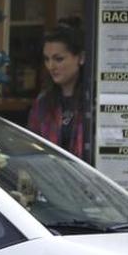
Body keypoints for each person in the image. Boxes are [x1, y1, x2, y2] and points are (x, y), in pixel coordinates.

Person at [27, 26, 86, 157]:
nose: (51, 66)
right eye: (47, 59)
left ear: (81, 58)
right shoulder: (43, 102)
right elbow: (32, 146)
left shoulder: (91, 101)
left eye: (58, 59)